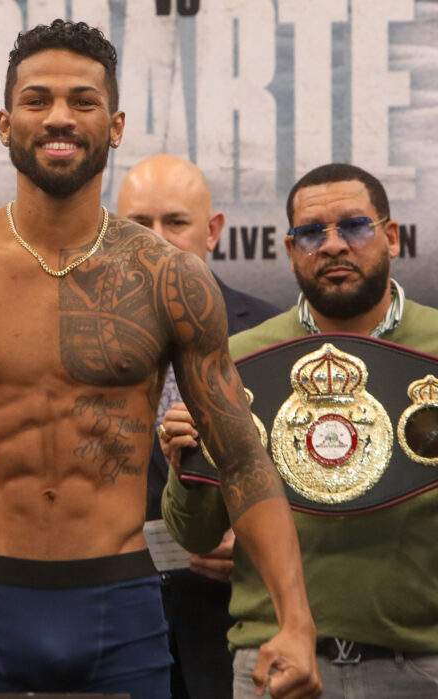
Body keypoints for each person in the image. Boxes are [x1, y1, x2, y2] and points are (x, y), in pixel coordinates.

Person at [0, 20, 321, 699]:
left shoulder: (168, 277)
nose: (59, 116)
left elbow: (241, 457)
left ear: (114, 126)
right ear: (5, 122)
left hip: (119, 602)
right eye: (38, 99)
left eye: (83, 100)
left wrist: (295, 620)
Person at [162, 162, 438, 698]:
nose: (332, 246)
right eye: (311, 232)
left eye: (354, 226)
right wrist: (186, 463)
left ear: (392, 236)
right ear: (290, 251)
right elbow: (194, 535)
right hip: (275, 660)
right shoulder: (240, 358)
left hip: (422, 663)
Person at [117, 154, 279, 698]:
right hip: (118, 631)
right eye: (138, 226)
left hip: (234, 627)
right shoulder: (78, 345)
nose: (158, 240)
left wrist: (258, 544)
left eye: (176, 222)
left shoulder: (276, 338)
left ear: (213, 231)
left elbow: (316, 478)